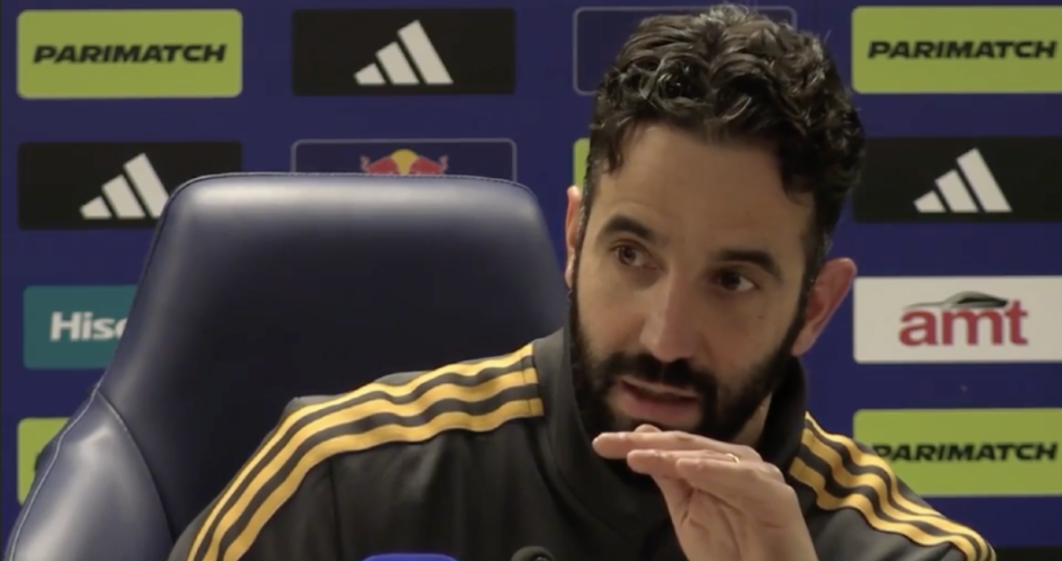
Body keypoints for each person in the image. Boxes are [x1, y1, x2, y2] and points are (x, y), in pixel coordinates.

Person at [169, 5, 993, 561]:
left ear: (814, 307)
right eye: (632, 256)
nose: (665, 337)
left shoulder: (907, 550)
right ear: (574, 239)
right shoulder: (345, 476)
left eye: (732, 280)